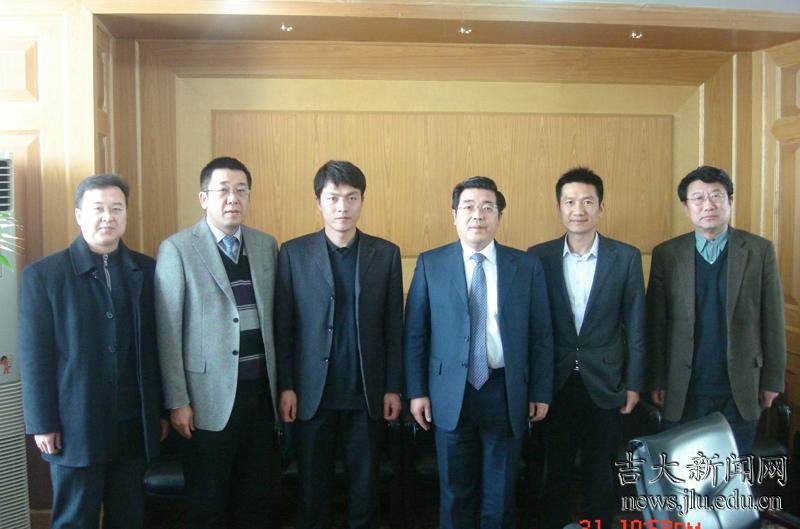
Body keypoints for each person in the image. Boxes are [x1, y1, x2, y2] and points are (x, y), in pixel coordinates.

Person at [404, 176, 553, 529]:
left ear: (499, 216)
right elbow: (415, 334)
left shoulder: (526, 266)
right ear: (454, 215)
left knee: (500, 494)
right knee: (455, 493)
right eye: (468, 207)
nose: (478, 215)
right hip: (450, 393)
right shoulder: (430, 263)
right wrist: (417, 392)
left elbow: (542, 335)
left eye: (488, 207)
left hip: (505, 390)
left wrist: (540, 391)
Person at [19, 173, 167, 529]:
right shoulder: (44, 276)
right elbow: (35, 357)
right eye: (98, 208)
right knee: (75, 519)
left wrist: (159, 411)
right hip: (74, 424)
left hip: (131, 423)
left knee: (128, 517)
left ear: (126, 214)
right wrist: (42, 423)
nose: (107, 217)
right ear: (79, 215)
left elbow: (157, 348)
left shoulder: (147, 270)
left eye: (116, 208)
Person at [275, 160, 403, 529]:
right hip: (312, 394)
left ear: (362, 201)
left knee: (365, 491)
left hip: (366, 393)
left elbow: (393, 329)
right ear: (318, 202)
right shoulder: (293, 253)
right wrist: (287, 385)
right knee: (312, 491)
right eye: (333, 198)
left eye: (351, 197)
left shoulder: (385, 254)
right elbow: (284, 328)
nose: (342, 207)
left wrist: (393, 387)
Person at [155, 156, 278, 528]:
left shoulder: (265, 245)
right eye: (223, 190)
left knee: (255, 501)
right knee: (207, 504)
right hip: (206, 399)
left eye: (241, 190)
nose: (233, 198)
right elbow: (168, 333)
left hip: (260, 396)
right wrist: (178, 401)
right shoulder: (177, 248)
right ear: (203, 198)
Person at [528, 167, 646, 529]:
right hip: (554, 383)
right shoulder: (538, 257)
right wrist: (533, 386)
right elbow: (532, 328)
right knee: (554, 472)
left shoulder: (625, 257)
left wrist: (634, 384)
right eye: (569, 202)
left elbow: (636, 325)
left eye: (587, 201)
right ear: (559, 208)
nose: (578, 209)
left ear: (601, 208)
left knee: (601, 473)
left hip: (606, 382)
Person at [647, 165, 786, 455]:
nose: (708, 205)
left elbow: (773, 320)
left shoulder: (759, 251)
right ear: (686, 207)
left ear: (730, 201)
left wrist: (773, 379)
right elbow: (656, 324)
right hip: (683, 387)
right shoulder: (667, 255)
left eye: (716, 196)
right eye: (698, 198)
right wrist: (656, 379)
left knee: (732, 473)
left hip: (741, 387)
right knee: (684, 472)